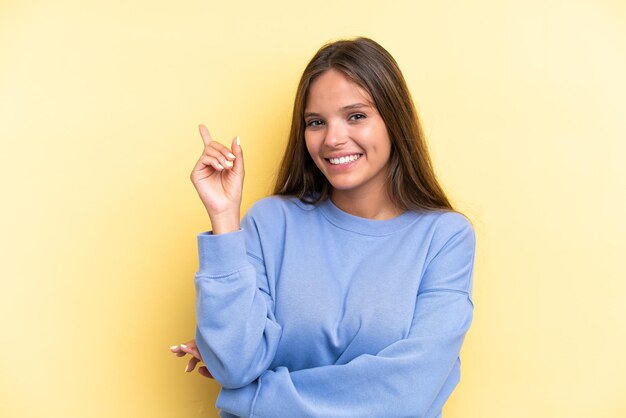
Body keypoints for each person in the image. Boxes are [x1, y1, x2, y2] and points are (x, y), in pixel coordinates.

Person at [170, 37, 476, 418]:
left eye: (356, 116)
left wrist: (247, 399)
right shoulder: (269, 223)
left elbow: (407, 395)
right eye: (316, 122)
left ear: (394, 121)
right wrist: (224, 220)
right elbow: (234, 364)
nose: (333, 139)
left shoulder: (444, 237)